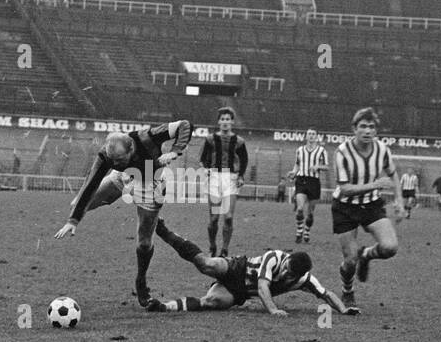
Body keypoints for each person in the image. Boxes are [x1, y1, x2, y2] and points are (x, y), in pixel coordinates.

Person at [54, 119, 193, 305]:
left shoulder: (148, 136)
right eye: (113, 161)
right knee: (78, 203)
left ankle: (141, 282)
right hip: (124, 177)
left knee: (144, 243)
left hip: (150, 183)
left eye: (120, 160)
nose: (115, 163)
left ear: (131, 149)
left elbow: (184, 125)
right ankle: (114, 202)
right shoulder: (106, 155)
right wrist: (73, 220)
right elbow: (91, 184)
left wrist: (175, 150)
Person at [145, 219, 359, 316]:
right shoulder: (274, 256)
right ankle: (164, 231)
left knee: (209, 302)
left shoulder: (305, 280)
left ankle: (163, 307)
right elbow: (263, 287)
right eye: (286, 268)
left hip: (238, 292)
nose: (284, 274)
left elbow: (326, 294)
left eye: (290, 275)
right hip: (237, 268)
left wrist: (343, 309)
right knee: (206, 264)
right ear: (286, 259)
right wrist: (273, 310)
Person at [332, 107, 401, 307]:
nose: (367, 131)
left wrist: (399, 202)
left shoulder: (382, 150)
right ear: (354, 129)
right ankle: (347, 290)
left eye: (371, 127)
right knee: (350, 261)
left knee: (390, 247)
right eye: (363, 126)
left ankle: (366, 254)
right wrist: (375, 185)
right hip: (345, 207)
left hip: (371, 205)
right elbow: (344, 189)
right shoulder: (342, 152)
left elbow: (393, 174)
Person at [199, 107, 249, 256]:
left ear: (232, 121)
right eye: (223, 119)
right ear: (218, 122)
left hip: (231, 179)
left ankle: (224, 250)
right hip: (214, 178)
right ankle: (212, 245)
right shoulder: (210, 139)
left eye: (228, 119)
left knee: (228, 217)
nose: (225, 122)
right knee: (214, 218)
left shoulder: (239, 141)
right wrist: (205, 169)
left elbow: (244, 160)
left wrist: (240, 176)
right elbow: (202, 160)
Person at [287, 127, 329, 243]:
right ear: (306, 136)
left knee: (310, 212)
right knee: (300, 208)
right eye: (309, 134)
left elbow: (326, 166)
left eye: (313, 134)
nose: (311, 136)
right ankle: (299, 231)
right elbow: (297, 165)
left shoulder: (322, 151)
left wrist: (318, 167)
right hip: (301, 179)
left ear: (316, 136)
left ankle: (307, 230)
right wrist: (293, 172)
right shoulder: (300, 150)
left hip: (314, 182)